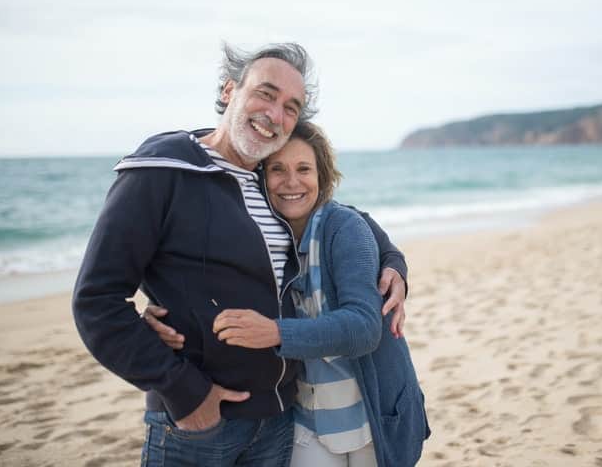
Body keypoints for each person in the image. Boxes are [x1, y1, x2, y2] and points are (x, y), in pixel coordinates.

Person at [72, 43, 409, 467]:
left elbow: (342, 216)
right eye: (266, 94)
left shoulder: (266, 179)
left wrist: (393, 262)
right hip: (200, 426)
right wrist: (186, 394)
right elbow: (96, 302)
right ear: (230, 91)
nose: (275, 114)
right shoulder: (160, 173)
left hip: (283, 419)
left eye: (291, 106)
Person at [151, 121, 429, 466]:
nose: (292, 182)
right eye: (277, 169)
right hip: (308, 415)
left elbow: (364, 328)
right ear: (260, 177)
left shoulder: (343, 227)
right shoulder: (260, 234)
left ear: (321, 176)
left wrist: (275, 332)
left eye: (304, 169)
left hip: (371, 414)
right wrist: (161, 311)